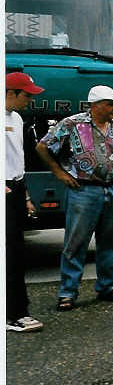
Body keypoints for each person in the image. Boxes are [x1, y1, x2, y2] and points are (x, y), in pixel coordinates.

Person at [35, 85, 113, 311]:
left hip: (112, 189)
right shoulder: (72, 124)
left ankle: (107, 287)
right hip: (84, 191)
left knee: (111, 241)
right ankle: (67, 292)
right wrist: (59, 172)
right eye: (110, 104)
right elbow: (42, 146)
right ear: (95, 105)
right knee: (76, 242)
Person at [5, 72, 45, 332]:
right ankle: (14, 314)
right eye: (27, 95)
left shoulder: (17, 119)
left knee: (16, 252)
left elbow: (17, 160)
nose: (31, 100)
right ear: (10, 93)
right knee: (10, 254)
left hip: (16, 188)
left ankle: (15, 310)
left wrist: (26, 195)